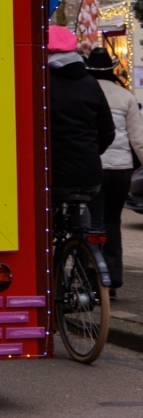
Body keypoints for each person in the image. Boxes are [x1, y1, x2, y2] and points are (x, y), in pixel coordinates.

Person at [85, 46, 143, 297]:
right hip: (121, 169)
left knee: (92, 223)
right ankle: (113, 279)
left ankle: (93, 281)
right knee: (113, 221)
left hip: (94, 166)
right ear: (111, 70)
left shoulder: (85, 92)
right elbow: (138, 139)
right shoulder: (125, 96)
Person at [48, 26, 114, 208]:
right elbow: (108, 131)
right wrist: (89, 152)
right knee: (94, 216)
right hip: (91, 176)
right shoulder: (91, 84)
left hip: (53, 176)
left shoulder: (42, 85)